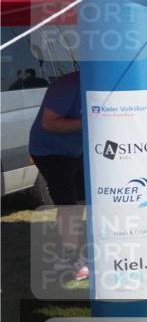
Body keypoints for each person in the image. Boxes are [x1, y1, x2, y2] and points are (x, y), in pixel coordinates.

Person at [29, 71, 87, 281]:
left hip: (77, 150)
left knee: (83, 201)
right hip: (50, 151)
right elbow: (49, 123)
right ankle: (69, 259)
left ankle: (77, 251)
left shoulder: (102, 82)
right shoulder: (67, 85)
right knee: (68, 205)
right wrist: (90, 121)